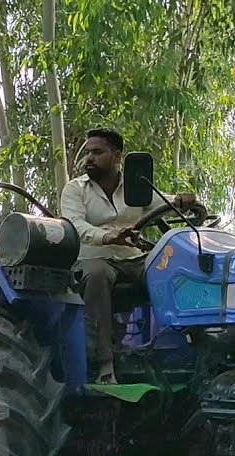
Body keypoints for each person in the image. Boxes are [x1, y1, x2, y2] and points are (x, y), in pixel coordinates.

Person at [59, 127, 196, 383]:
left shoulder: (136, 187)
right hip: (94, 258)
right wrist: (107, 236)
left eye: (98, 152)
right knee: (97, 274)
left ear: (117, 156)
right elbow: (74, 226)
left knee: (170, 269)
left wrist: (181, 201)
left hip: (132, 257)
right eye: (88, 152)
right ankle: (104, 365)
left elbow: (161, 202)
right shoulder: (75, 190)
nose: (89, 158)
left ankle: (190, 347)